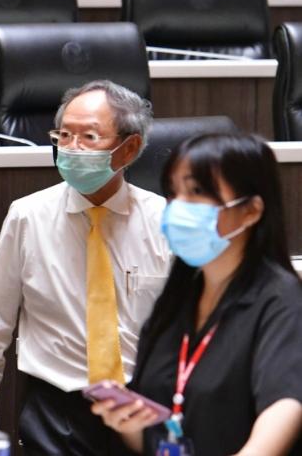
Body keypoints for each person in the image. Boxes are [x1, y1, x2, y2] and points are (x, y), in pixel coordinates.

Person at [0, 80, 172, 455]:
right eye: (64, 135)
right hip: (56, 413)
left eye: (88, 136)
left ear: (129, 148)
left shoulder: (164, 221)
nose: (72, 148)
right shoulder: (28, 216)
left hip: (144, 407)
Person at [92, 133, 302, 455]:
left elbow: (283, 407)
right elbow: (154, 438)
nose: (178, 206)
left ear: (250, 211)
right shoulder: (178, 294)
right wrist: (129, 423)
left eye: (197, 192)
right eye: (173, 193)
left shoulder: (282, 299)